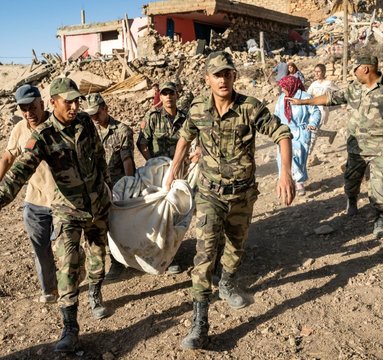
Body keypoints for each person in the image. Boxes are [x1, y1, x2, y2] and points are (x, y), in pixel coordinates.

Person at [165, 51, 295, 350]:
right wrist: (174, 169)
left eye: (227, 73)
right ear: (207, 79)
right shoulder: (197, 109)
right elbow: (185, 138)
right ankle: (200, 323)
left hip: (242, 194)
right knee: (205, 253)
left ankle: (227, 282)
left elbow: (282, 134)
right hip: (210, 194)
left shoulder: (250, 108)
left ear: (234, 76)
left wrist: (284, 173)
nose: (223, 79)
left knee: (236, 247)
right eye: (217, 74)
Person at [0, 77, 112, 353]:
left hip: (97, 206)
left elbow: (98, 154)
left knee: (98, 260)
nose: (75, 106)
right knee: (67, 265)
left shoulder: (85, 122)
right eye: (68, 102)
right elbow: (18, 172)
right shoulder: (43, 136)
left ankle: (95, 291)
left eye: (77, 101)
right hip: (67, 210)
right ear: (53, 103)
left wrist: (106, 183)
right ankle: (70, 327)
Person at [287, 55, 383, 238]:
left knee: (381, 184)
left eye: (355, 69)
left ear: (365, 69)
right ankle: (352, 199)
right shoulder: (354, 88)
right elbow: (330, 98)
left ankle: (379, 218)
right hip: (356, 147)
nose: (353, 73)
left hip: (382, 146)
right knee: (352, 179)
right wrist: (303, 102)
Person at [0, 84, 57, 304]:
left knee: (66, 250)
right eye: (24, 109)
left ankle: (72, 278)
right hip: (35, 201)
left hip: (61, 200)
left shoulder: (57, 124)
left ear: (42, 104)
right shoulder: (20, 129)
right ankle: (50, 290)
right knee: (40, 249)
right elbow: (7, 158)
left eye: (33, 107)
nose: (29, 113)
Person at [137, 81, 188, 274]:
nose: (168, 97)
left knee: (176, 214)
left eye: (171, 93)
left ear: (177, 95)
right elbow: (142, 142)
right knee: (160, 214)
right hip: (158, 174)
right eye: (164, 93)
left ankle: (171, 255)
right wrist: (152, 162)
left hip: (180, 171)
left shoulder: (185, 118)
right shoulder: (153, 117)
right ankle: (161, 257)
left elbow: (195, 139)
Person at [82, 93, 135, 280]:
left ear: (105, 109)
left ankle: (122, 261)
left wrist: (129, 186)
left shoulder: (122, 131)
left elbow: (127, 160)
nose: (94, 119)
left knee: (119, 226)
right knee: (101, 227)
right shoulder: (88, 132)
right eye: (90, 115)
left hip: (117, 187)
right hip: (97, 187)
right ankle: (114, 260)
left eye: (96, 114)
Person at [274, 75, 321, 196]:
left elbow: (315, 111)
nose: (282, 90)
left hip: (300, 132)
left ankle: (299, 182)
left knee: (298, 157)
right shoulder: (281, 98)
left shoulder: (305, 97)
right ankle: (285, 182)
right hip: (284, 133)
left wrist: (312, 123)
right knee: (282, 158)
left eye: (284, 87)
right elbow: (276, 114)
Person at [307, 63, 339, 154]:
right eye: (315, 71)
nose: (316, 73)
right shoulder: (313, 84)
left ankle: (309, 153)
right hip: (313, 110)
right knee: (313, 130)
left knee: (313, 131)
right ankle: (331, 134)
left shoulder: (328, 83)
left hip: (322, 110)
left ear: (323, 72)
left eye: (319, 72)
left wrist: (328, 99)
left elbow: (338, 92)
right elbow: (308, 95)